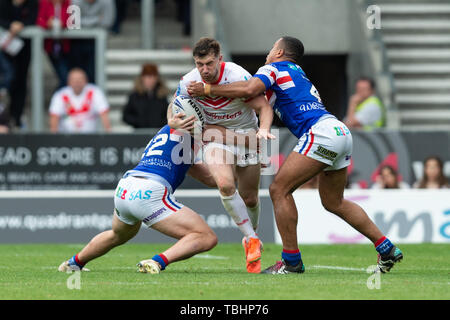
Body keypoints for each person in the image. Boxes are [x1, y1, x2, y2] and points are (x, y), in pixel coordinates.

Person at [187, 36, 403, 274]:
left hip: (319, 132)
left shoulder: (272, 68)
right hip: (340, 130)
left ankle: (291, 262)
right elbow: (259, 100)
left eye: (272, 48)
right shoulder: (297, 70)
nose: (268, 52)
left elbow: (250, 88)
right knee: (334, 201)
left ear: (279, 52)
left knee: (278, 189)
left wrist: (208, 89)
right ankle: (386, 248)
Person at [168, 37, 275, 273]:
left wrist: (264, 129)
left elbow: (264, 107)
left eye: (208, 63)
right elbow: (175, 105)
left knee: (250, 199)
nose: (204, 70)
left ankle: (252, 234)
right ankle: (251, 239)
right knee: (226, 185)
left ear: (220, 59)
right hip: (214, 137)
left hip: (247, 137)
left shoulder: (238, 76)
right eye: (199, 64)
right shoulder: (189, 81)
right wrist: (171, 120)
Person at [58, 124, 218, 274]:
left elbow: (210, 178)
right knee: (205, 236)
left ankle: (73, 264)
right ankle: (156, 262)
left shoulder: (170, 131)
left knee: (118, 234)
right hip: (149, 191)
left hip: (126, 187)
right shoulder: (190, 130)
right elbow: (213, 175)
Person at [0, 0, 38, 129]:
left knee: (20, 81)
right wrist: (10, 25)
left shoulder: (32, 4)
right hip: (4, 48)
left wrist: (22, 25)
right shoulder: (3, 3)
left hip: (23, 49)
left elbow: (35, 19)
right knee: (9, 75)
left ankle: (16, 117)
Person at [49, 68, 111, 133]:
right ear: (68, 82)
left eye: (80, 80)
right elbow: (54, 117)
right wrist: (55, 138)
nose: (77, 83)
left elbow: (104, 114)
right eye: (74, 80)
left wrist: (108, 136)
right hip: (66, 138)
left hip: (90, 138)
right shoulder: (60, 94)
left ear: (86, 81)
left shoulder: (95, 92)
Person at [70, 0, 116, 83]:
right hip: (77, 41)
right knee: (77, 71)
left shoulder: (107, 2)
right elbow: (73, 23)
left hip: (97, 43)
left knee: (93, 72)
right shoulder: (76, 1)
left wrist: (83, 21)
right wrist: (97, 19)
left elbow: (107, 23)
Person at [36, 0, 71, 89]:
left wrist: (63, 24)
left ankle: (58, 98)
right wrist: (47, 24)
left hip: (68, 45)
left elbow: (74, 20)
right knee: (64, 76)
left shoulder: (69, 3)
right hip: (51, 45)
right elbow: (39, 20)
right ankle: (58, 99)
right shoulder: (44, 3)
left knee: (67, 77)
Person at [122, 63, 169, 129]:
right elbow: (126, 116)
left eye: (154, 77)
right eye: (148, 77)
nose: (151, 80)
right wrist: (138, 122)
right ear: (142, 78)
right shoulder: (134, 96)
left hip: (157, 134)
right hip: (139, 134)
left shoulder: (162, 96)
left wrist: (159, 123)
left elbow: (167, 116)